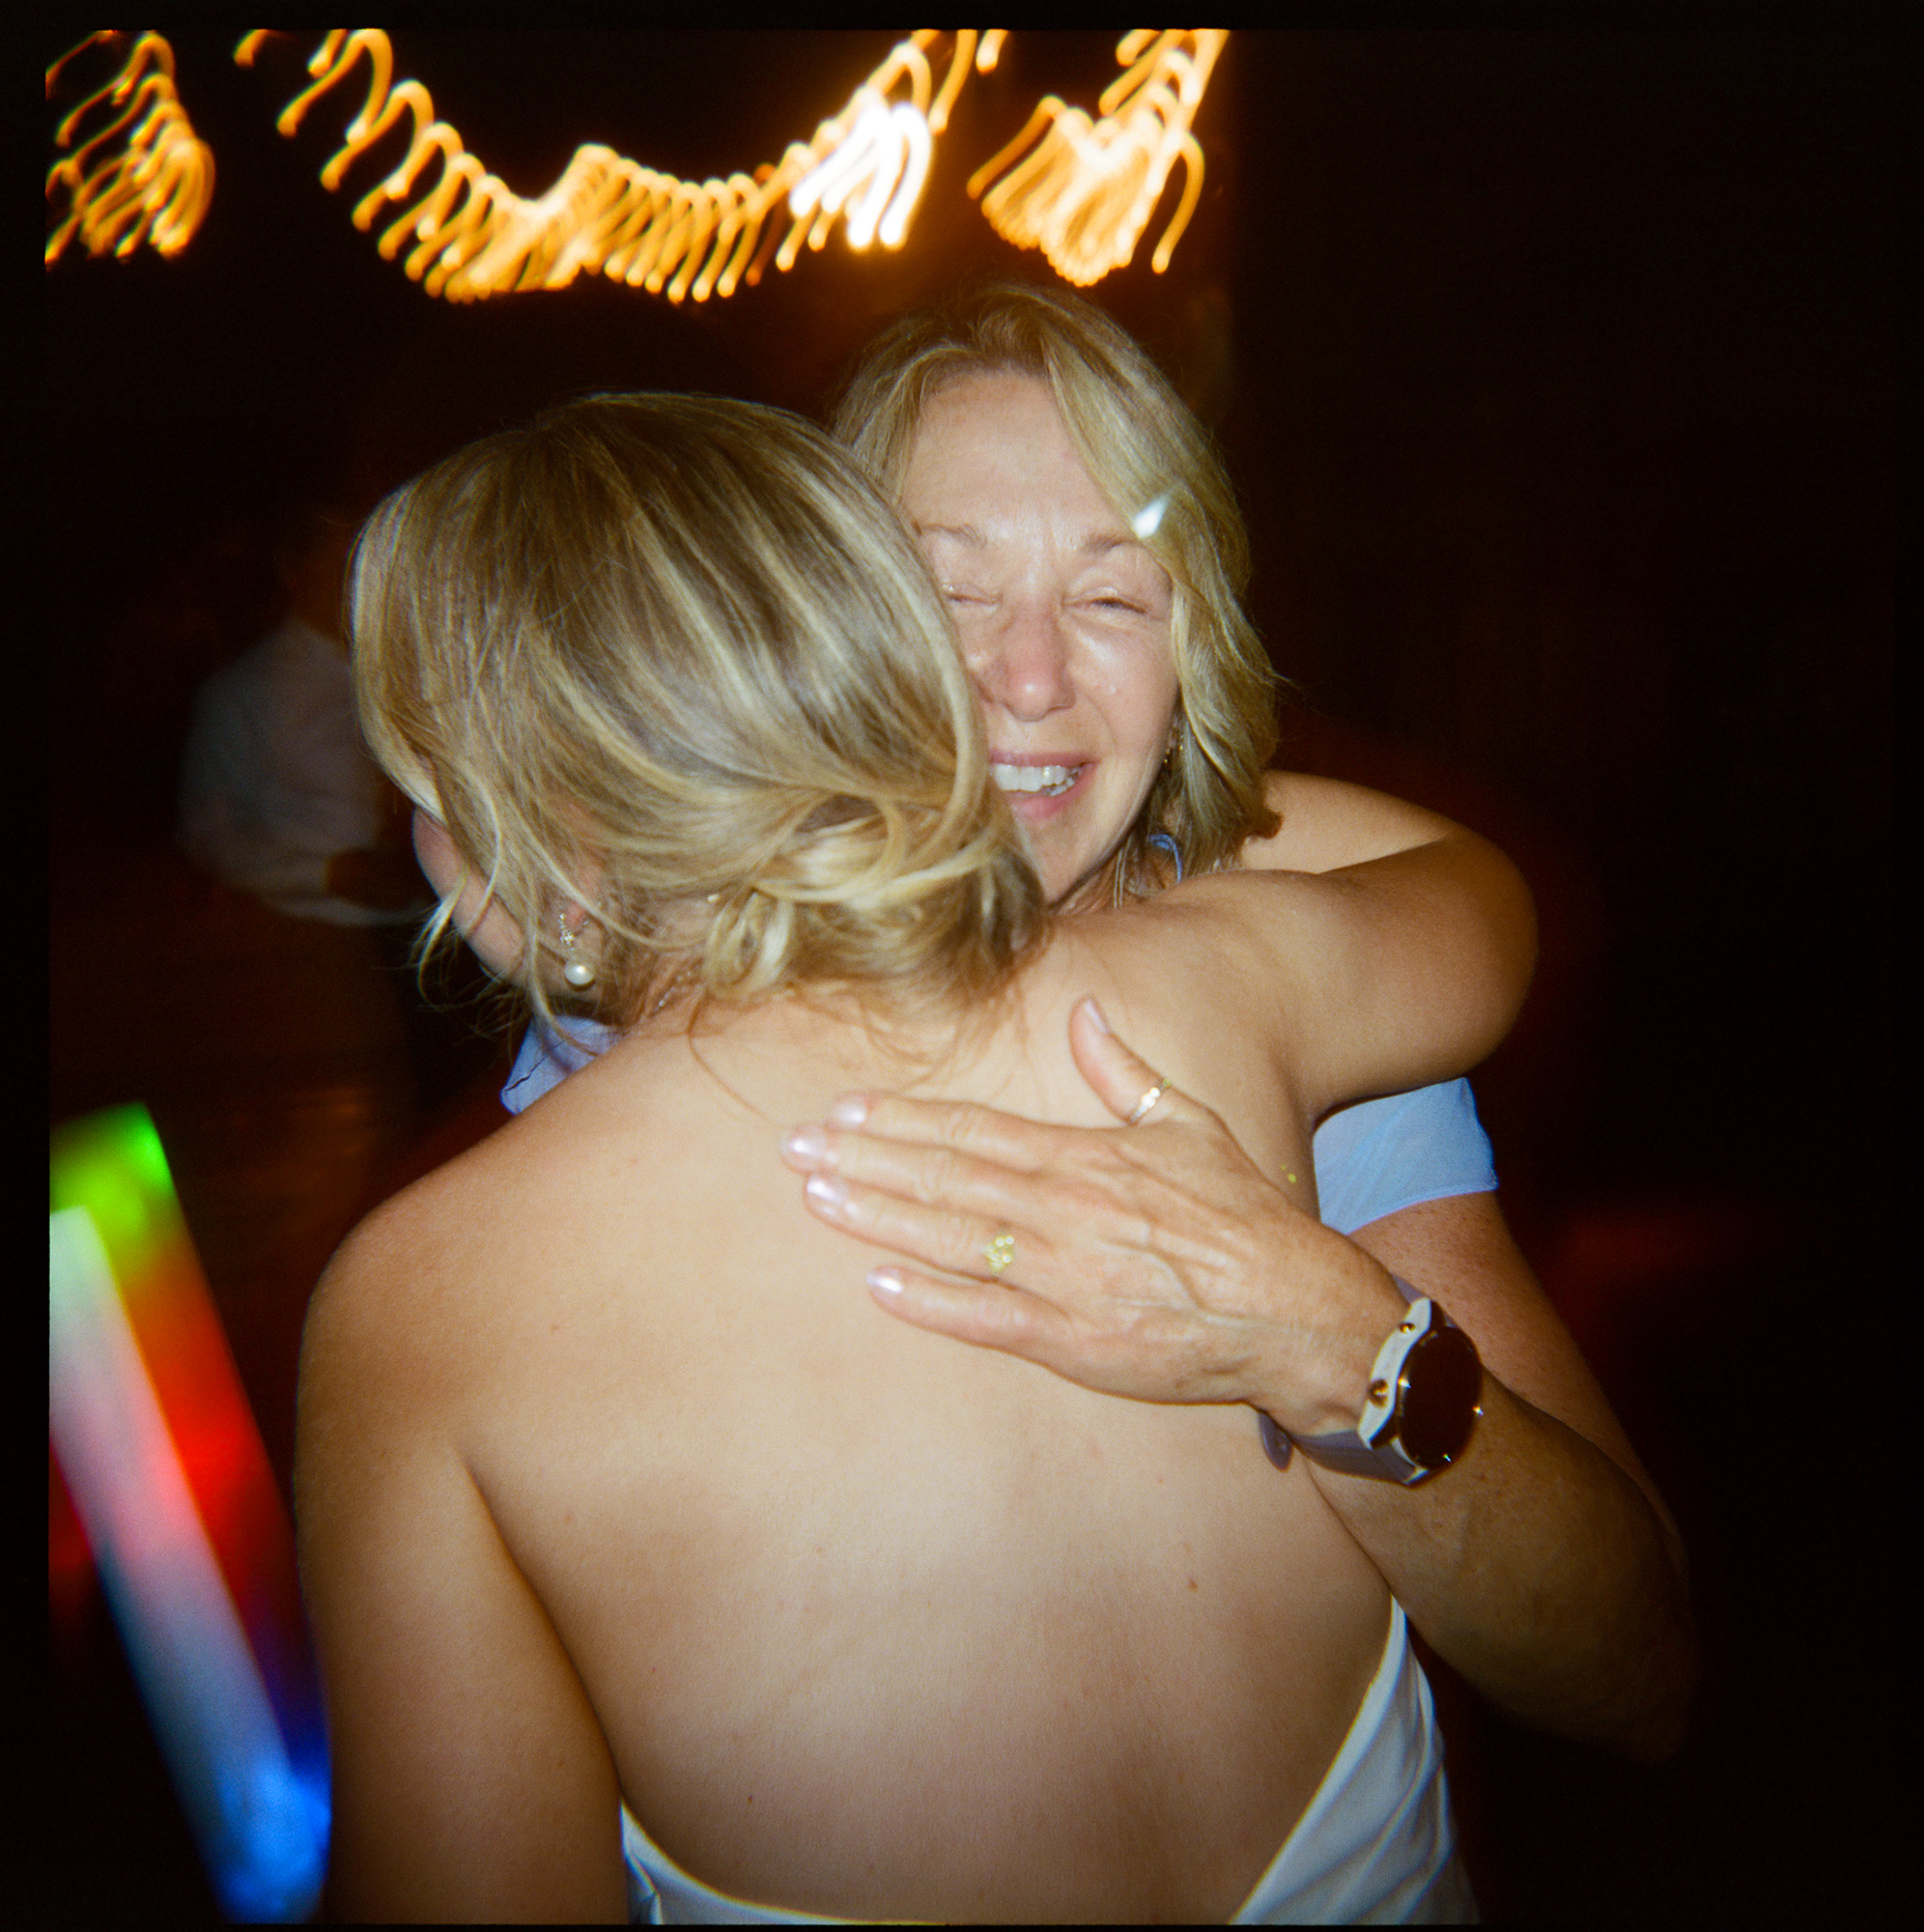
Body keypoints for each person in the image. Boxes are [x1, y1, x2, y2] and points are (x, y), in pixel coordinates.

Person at [297, 391, 1537, 1920]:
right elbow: (1488, 920)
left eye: (424, 799)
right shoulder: (1218, 983)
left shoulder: (431, 1304)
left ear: (531, 836)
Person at [512, 286, 1697, 1776]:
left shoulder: (1304, 1012)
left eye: (1113, 595)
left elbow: (1631, 1668)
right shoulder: (638, 1048)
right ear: (816, 625)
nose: (1029, 679)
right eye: (950, 592)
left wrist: (1331, 1336)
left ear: (1190, 652)